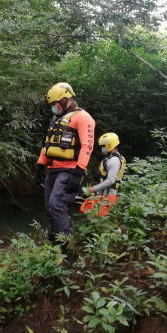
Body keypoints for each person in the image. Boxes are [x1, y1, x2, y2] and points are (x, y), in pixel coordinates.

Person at [35, 82, 95, 243]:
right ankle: (55, 241)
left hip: (69, 170)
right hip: (52, 169)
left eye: (55, 104)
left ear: (64, 100)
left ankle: (66, 245)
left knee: (57, 204)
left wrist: (79, 170)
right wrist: (40, 165)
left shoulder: (83, 117)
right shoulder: (56, 119)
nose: (53, 108)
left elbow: (87, 145)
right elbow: (48, 144)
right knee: (49, 207)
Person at [80, 132, 126, 217]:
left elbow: (110, 181)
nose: (102, 149)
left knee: (97, 219)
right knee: (86, 211)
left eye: (103, 146)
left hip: (107, 197)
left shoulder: (114, 161)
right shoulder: (111, 158)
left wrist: (92, 189)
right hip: (101, 195)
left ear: (109, 145)